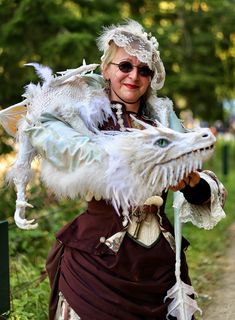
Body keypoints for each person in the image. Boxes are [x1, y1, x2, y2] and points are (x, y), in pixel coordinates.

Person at [22, 20, 226, 320]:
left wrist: (191, 183)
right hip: (95, 267)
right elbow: (48, 135)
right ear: (106, 69)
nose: (134, 76)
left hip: (158, 269)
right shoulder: (82, 123)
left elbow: (201, 188)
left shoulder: (166, 127)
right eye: (125, 66)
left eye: (144, 70)